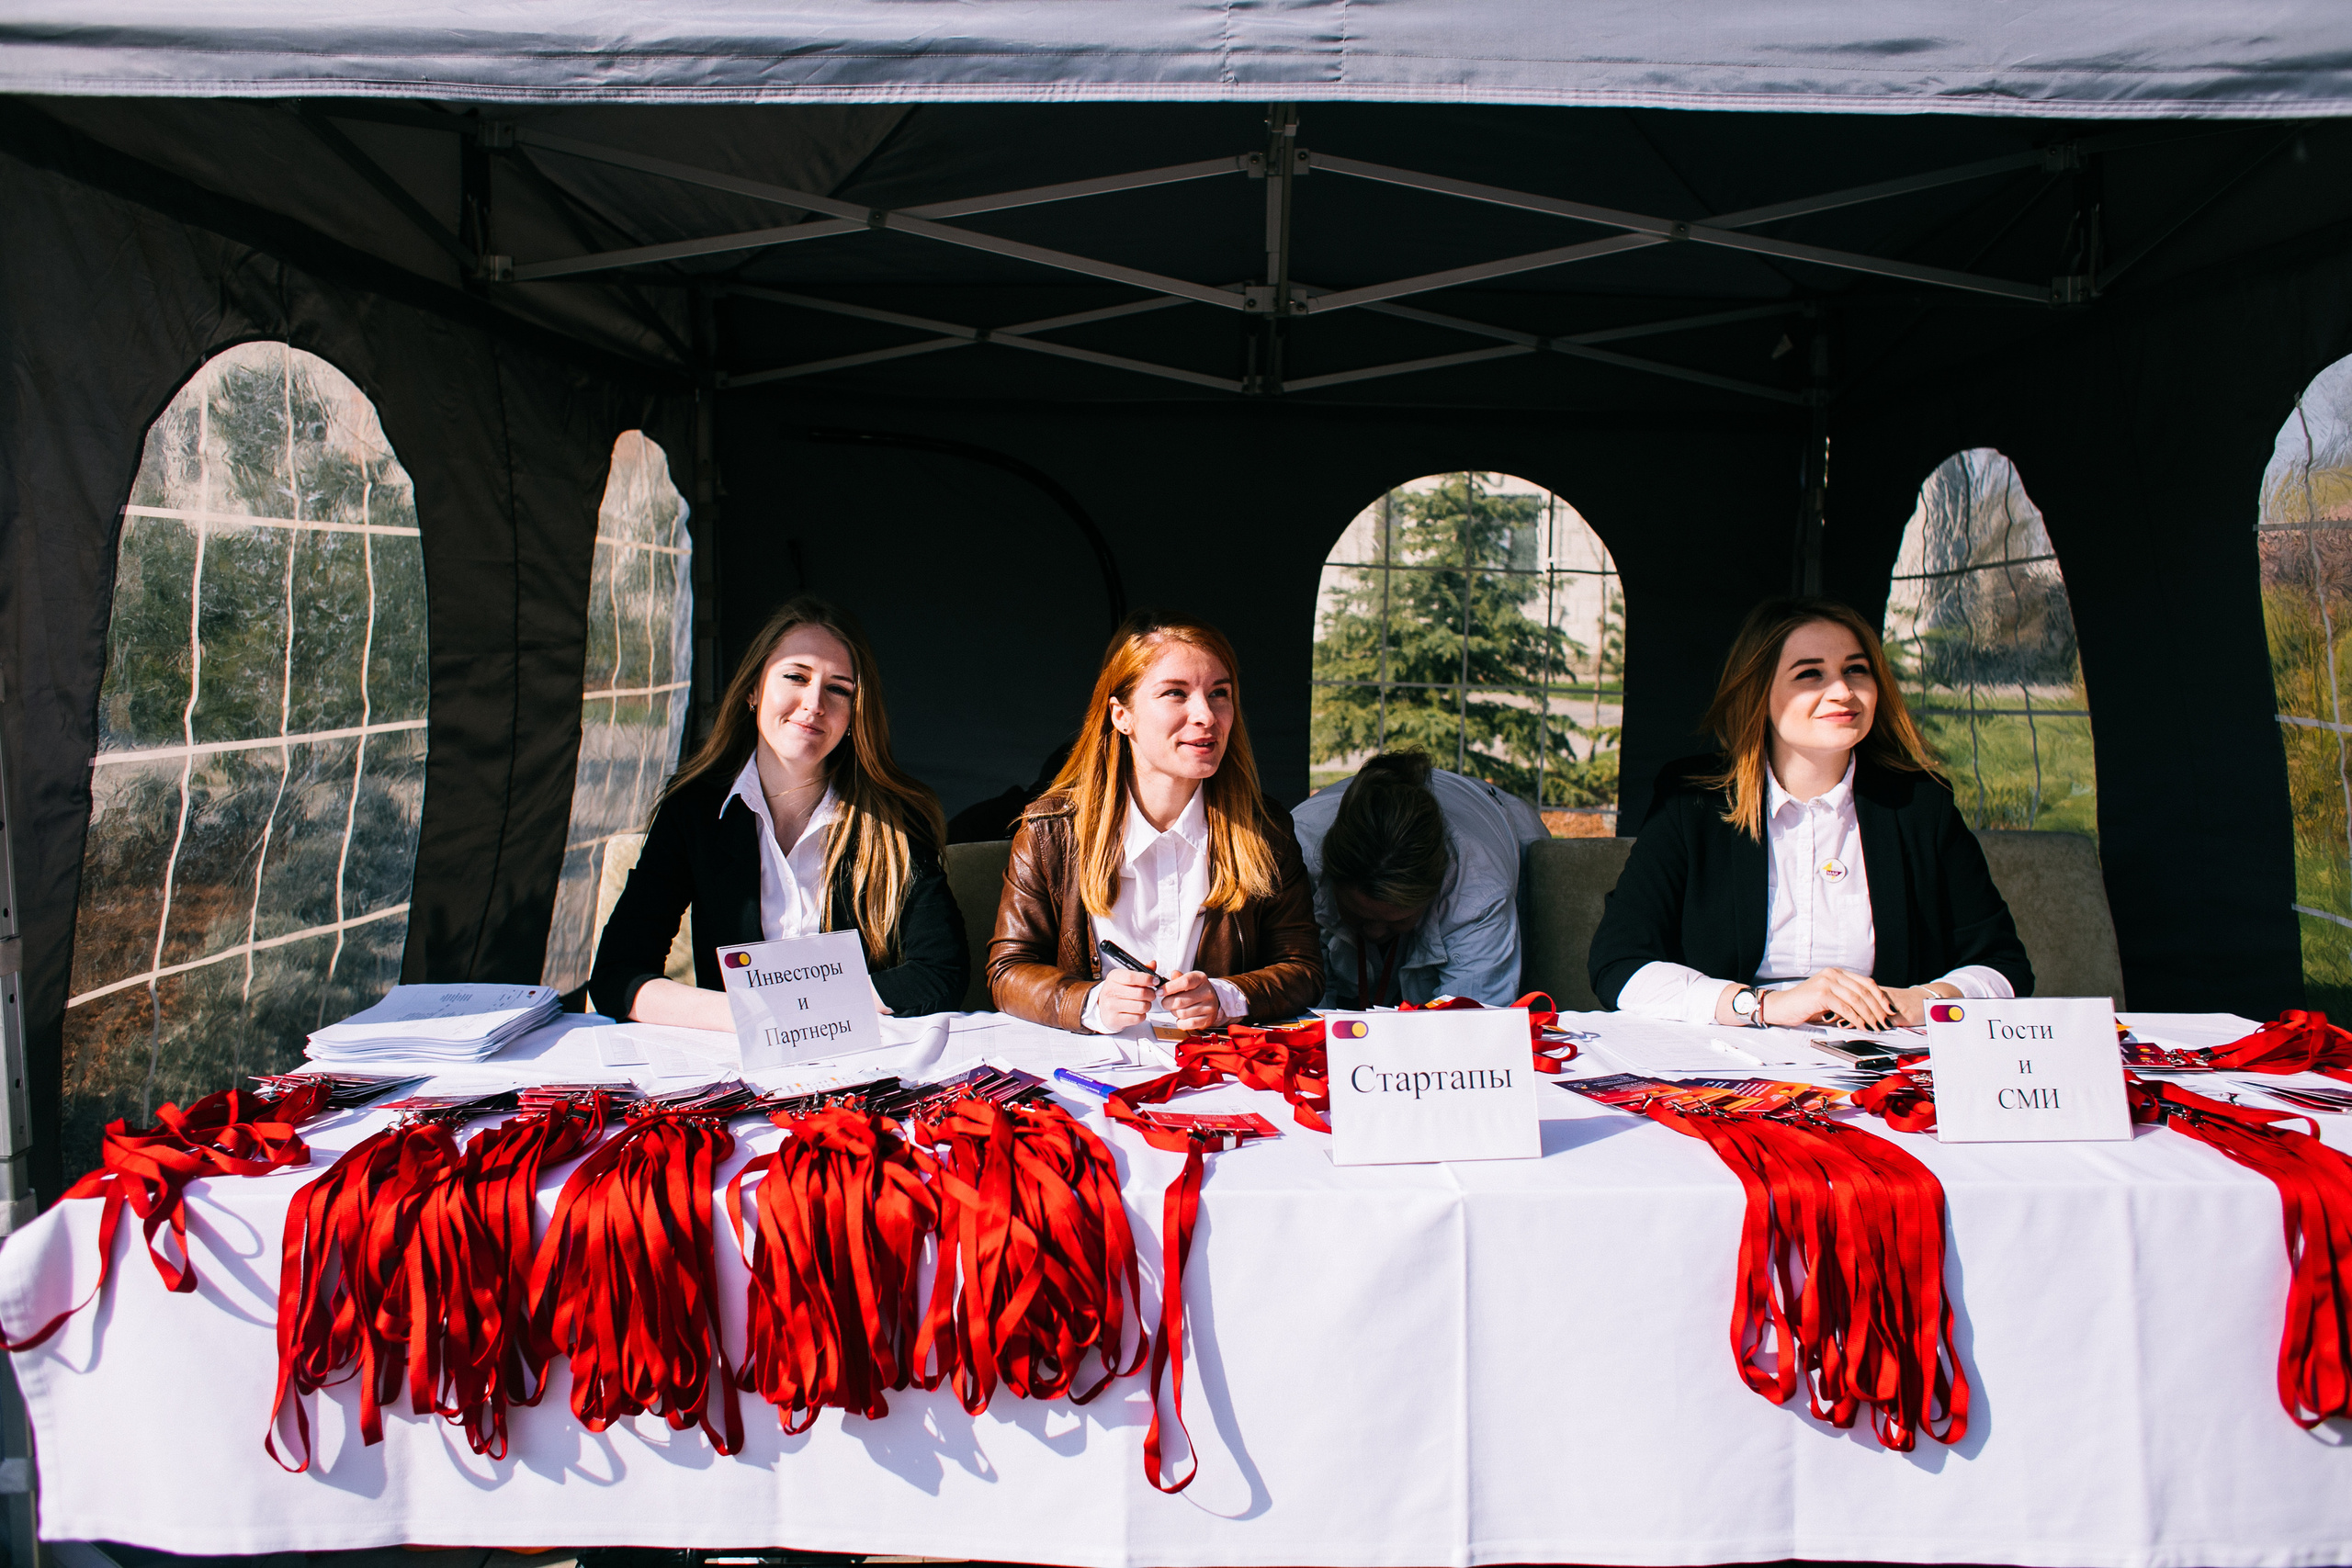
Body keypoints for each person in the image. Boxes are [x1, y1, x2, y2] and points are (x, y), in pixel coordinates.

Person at [1589, 596, 2030, 1030]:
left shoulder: (1921, 805)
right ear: (1759, 693)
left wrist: (1922, 1001)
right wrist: (1762, 1006)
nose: (1842, 692)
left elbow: (2003, 966)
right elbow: (1620, 964)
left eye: (1856, 670)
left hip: (1880, 1065)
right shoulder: (1693, 802)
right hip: (1728, 1065)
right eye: (1810, 675)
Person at [588, 595, 967, 1026]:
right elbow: (616, 977)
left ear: (854, 715)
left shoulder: (897, 819)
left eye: (838, 688)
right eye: (796, 676)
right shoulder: (692, 808)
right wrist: (754, 1016)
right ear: (753, 688)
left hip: (863, 1068)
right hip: (736, 1067)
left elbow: (941, 974)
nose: (814, 703)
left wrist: (796, 1010)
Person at [988, 610, 1322, 1035]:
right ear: (1121, 715)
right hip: (1090, 1072)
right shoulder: (1050, 831)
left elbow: (1303, 969)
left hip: (1214, 1069)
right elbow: (1008, 972)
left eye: (1220, 692)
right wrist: (1091, 1002)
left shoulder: (1265, 830)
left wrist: (1226, 996)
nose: (1206, 714)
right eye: (1176, 693)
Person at [1290, 751, 1550, 1008]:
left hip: (1500, 821)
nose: (1375, 933)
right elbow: (1293, 1006)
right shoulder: (1291, 858)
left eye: (1398, 920)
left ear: (1437, 888)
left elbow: (1468, 1021)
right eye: (1358, 914)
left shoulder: (1478, 891)